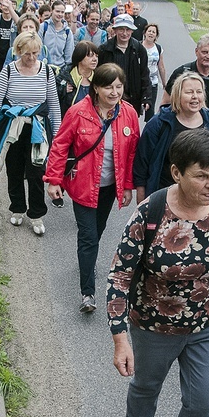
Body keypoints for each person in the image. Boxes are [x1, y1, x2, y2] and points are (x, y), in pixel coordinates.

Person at [106, 128, 209, 417]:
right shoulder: (149, 213)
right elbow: (120, 275)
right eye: (202, 176)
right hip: (153, 327)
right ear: (177, 173)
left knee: (203, 401)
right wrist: (120, 338)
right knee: (146, 388)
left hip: (207, 324)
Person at [44, 63, 139, 312]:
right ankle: (88, 294)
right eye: (108, 86)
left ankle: (87, 260)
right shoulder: (78, 112)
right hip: (83, 185)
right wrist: (54, 179)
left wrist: (128, 186)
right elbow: (60, 145)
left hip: (109, 187)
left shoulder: (128, 114)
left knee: (96, 232)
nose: (114, 92)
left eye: (119, 87)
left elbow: (131, 155)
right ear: (96, 88)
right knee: (87, 237)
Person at [0, 32, 61, 235]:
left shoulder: (45, 71)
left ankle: (36, 214)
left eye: (36, 53)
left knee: (37, 172)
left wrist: (59, 134)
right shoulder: (9, 71)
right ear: (18, 52)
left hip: (37, 128)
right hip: (14, 128)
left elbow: (53, 105)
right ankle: (17, 208)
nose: (32, 58)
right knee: (15, 170)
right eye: (27, 54)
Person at [133, 72, 209, 204]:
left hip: (199, 195)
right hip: (164, 194)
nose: (195, 97)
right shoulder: (159, 123)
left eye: (199, 92)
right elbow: (142, 162)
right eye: (189, 92)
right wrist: (142, 200)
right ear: (177, 95)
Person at [161, 33, 209, 135]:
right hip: (179, 129)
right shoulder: (181, 73)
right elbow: (165, 103)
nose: (208, 56)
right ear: (196, 51)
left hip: (206, 132)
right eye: (204, 52)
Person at [98, 14, 151, 117]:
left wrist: (146, 98)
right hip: (110, 97)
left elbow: (144, 74)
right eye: (121, 29)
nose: (125, 33)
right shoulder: (104, 49)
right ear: (115, 30)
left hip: (132, 99)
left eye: (128, 29)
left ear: (132, 30)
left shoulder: (139, 49)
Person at [55, 40, 98, 117]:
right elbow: (52, 100)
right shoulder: (63, 77)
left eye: (96, 56)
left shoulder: (100, 78)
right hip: (69, 124)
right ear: (79, 57)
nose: (95, 59)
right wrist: (62, 90)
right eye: (90, 56)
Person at [141, 23, 166, 122]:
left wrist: (164, 83)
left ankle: (149, 132)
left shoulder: (158, 48)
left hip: (153, 83)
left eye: (153, 32)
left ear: (156, 35)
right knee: (135, 108)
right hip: (140, 82)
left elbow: (161, 66)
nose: (151, 33)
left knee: (150, 110)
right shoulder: (138, 46)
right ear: (145, 33)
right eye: (149, 31)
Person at [39, 0, 74, 70]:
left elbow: (69, 54)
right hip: (43, 67)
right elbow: (38, 48)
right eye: (57, 11)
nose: (60, 14)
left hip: (60, 68)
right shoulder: (42, 27)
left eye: (62, 12)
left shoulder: (67, 31)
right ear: (52, 11)